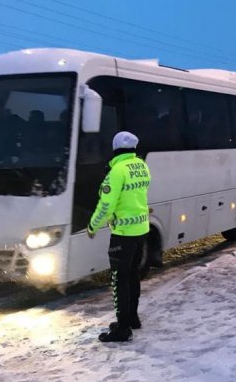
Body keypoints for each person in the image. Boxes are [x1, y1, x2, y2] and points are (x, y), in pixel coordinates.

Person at [87, 131, 151, 342]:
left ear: (115, 149)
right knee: (133, 276)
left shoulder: (116, 171)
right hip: (141, 231)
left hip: (123, 235)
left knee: (119, 280)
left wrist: (92, 226)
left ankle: (123, 328)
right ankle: (132, 318)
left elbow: (106, 205)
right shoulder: (141, 166)